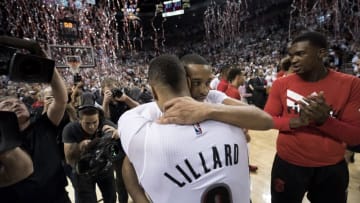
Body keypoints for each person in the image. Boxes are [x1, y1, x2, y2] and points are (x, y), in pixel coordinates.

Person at [118, 54, 251, 203]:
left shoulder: (141, 133)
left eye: (207, 83)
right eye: (197, 82)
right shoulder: (229, 119)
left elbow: (128, 161)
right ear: (188, 82)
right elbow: (256, 121)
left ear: (153, 92)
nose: (204, 90)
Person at [263, 31, 360, 203]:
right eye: (291, 56)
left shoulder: (351, 84)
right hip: (288, 163)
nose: (293, 60)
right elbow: (268, 119)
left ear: (321, 53)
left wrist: (325, 121)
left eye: (300, 54)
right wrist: (295, 121)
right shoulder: (281, 84)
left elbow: (354, 136)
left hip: (331, 167)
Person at [0, 37, 70, 202]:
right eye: (7, 104)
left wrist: (47, 67)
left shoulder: (42, 125)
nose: (15, 105)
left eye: (18, 102)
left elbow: (61, 99)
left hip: (59, 197)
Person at [62, 94, 118, 203]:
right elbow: (69, 159)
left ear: (99, 119)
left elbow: (116, 152)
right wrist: (79, 147)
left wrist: (118, 133)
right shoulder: (70, 129)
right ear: (79, 120)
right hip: (83, 172)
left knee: (111, 197)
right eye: (87, 123)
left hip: (104, 168)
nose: (92, 126)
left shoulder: (104, 124)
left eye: (94, 122)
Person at [101, 77, 139, 203]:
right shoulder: (103, 103)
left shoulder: (124, 99)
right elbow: (104, 119)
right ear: (103, 92)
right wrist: (106, 102)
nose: (112, 93)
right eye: (108, 91)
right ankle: (123, 200)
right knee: (119, 174)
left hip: (129, 141)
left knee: (136, 171)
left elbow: (139, 109)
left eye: (113, 89)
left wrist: (126, 99)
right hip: (114, 144)